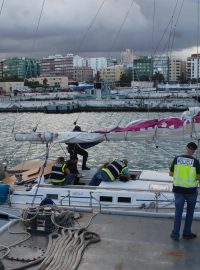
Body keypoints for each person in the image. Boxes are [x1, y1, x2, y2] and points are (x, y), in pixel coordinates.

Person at [169, 142, 200, 241]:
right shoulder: (195, 161)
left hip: (178, 190)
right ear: (194, 151)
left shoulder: (177, 159)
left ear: (186, 148)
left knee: (178, 212)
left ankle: (175, 234)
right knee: (190, 213)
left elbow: (171, 173)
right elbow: (198, 177)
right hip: (191, 191)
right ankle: (186, 233)